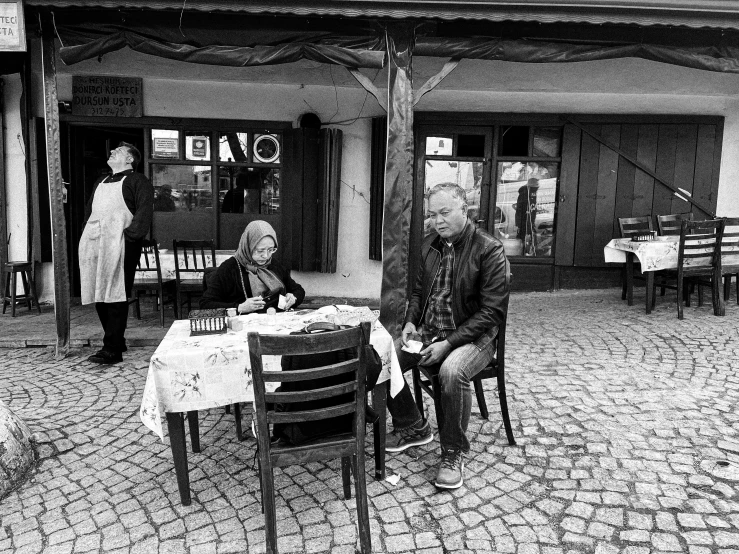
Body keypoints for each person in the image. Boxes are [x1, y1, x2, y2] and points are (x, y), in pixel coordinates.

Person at [385, 182, 509, 490]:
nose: (437, 221)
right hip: (431, 333)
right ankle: (413, 426)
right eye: (432, 214)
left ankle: (453, 452)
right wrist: (411, 322)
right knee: (385, 358)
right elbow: (417, 292)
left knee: (452, 371)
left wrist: (448, 344)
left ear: (464, 210)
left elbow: (491, 313)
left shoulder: (489, 249)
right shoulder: (430, 245)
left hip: (474, 338)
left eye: (444, 212)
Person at [79, 141, 153, 364]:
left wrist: (130, 236)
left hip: (121, 242)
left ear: (130, 159)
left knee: (116, 293)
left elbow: (144, 210)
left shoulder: (138, 180)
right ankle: (116, 340)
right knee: (99, 292)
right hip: (96, 241)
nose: (111, 152)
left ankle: (112, 349)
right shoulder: (100, 181)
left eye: (118, 151)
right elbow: (90, 210)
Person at [199, 220, 304, 313]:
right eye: (260, 250)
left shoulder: (274, 264)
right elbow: (206, 304)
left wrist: (293, 297)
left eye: (271, 250)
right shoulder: (229, 268)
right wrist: (240, 307)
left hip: (276, 322)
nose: (266, 256)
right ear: (248, 246)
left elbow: (298, 290)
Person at [514, 178, 539, 248]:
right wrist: (520, 223)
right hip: (525, 220)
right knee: (523, 237)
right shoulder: (524, 194)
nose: (537, 189)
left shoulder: (531, 194)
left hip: (529, 220)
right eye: (535, 187)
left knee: (531, 237)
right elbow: (520, 209)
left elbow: (532, 207)